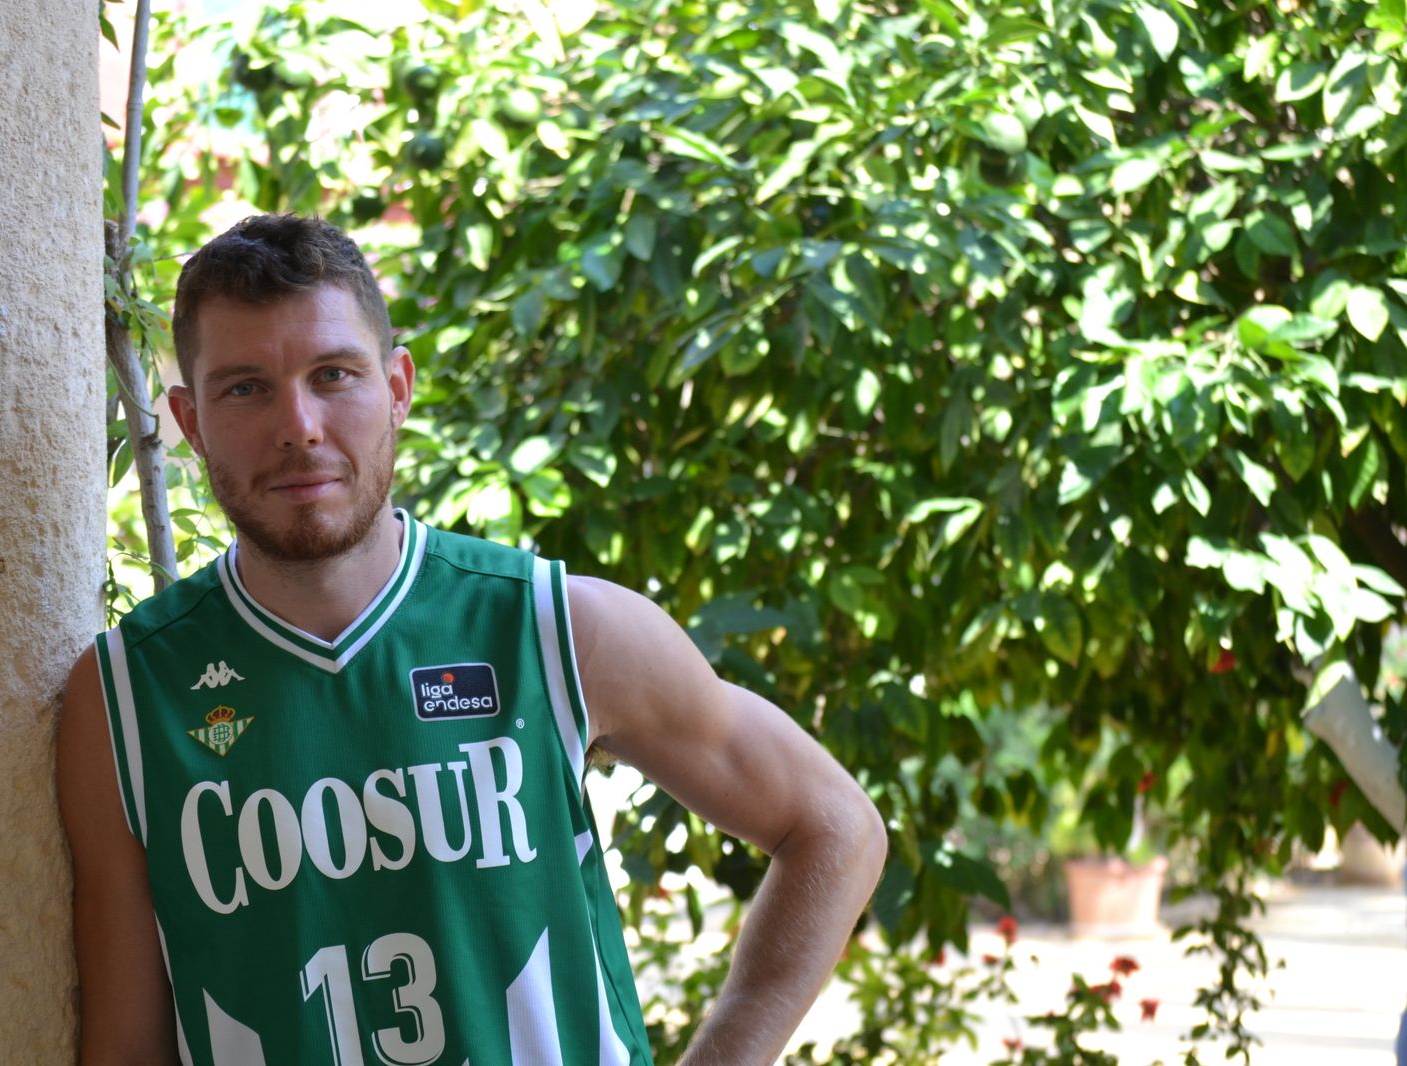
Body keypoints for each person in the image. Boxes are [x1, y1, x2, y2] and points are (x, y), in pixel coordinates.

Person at [57, 214, 886, 1066]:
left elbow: (836, 828)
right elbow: (126, 1044)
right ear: (189, 423)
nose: (297, 424)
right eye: (245, 388)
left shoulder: (554, 628)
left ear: (399, 387)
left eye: (333, 374)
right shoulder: (124, 698)